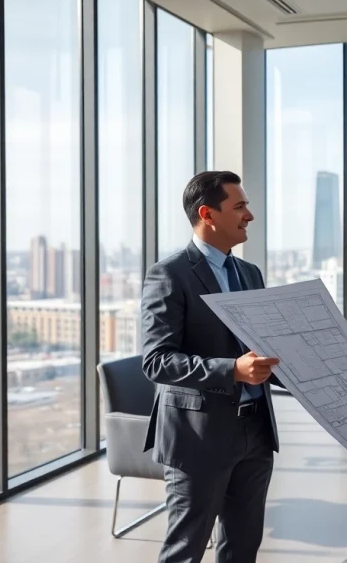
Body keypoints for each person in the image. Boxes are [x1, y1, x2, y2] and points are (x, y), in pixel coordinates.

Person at [141, 170, 282, 563]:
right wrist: (232, 370)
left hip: (255, 429)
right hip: (198, 437)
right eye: (240, 207)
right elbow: (157, 361)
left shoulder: (250, 274)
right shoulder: (170, 274)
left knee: (242, 548)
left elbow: (260, 350)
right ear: (208, 214)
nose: (250, 215)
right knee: (185, 551)